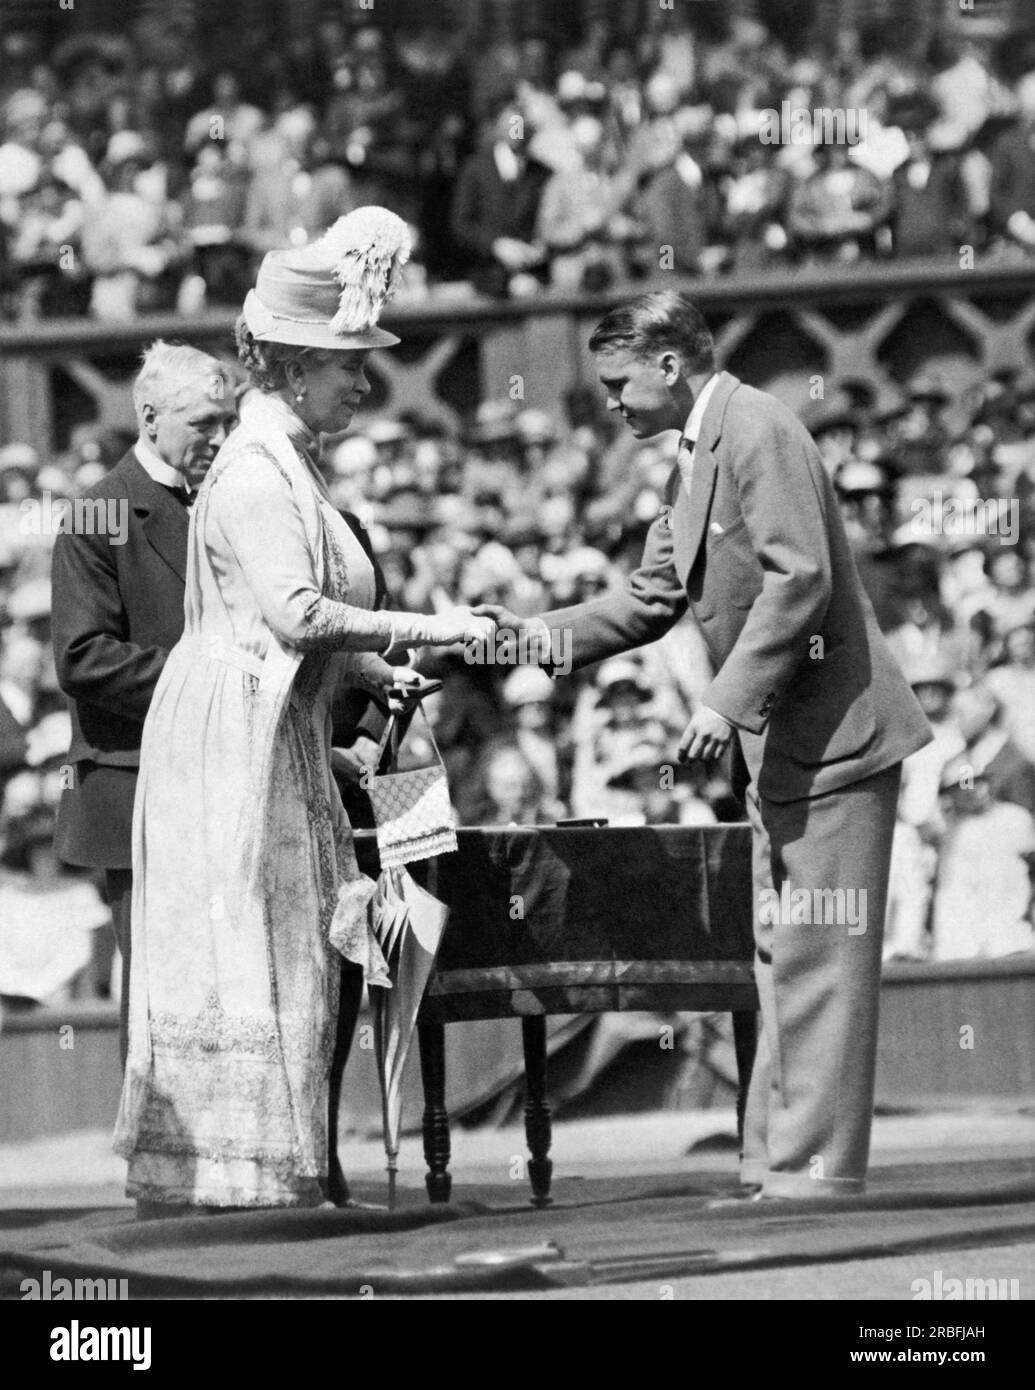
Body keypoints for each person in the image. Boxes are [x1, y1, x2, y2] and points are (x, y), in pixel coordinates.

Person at [479, 290, 932, 1200]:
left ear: (669, 365)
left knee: (815, 960)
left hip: (835, 741)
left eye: (617, 383)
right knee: (780, 958)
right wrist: (524, 636)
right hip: (786, 750)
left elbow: (797, 578)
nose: (608, 402)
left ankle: (814, 1174)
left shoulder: (756, 428)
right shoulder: (692, 455)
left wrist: (724, 703)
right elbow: (650, 598)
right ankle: (775, 1162)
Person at [113, 207, 494, 1215]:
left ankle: (288, 1168)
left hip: (274, 720)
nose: (363, 383)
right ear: (293, 370)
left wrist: (374, 673)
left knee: (306, 938)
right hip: (230, 731)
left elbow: (295, 614)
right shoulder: (249, 471)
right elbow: (290, 609)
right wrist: (433, 624)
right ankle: (245, 1178)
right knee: (263, 940)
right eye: (347, 366)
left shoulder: (289, 467)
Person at [51, 341, 237, 1065]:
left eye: (227, 420)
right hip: (137, 784)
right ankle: (160, 1169)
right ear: (150, 417)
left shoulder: (228, 499)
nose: (219, 438)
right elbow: (82, 657)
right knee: (163, 985)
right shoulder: (100, 511)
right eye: (203, 423)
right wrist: (215, 682)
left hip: (229, 780)